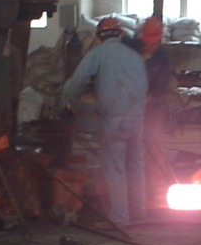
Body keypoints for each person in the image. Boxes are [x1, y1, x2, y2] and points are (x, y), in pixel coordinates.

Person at [60, 16, 149, 228]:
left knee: (115, 169)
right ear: (120, 35)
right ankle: (139, 211)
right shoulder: (135, 57)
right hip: (137, 119)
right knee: (135, 164)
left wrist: (66, 102)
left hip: (115, 120)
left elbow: (77, 82)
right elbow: (144, 86)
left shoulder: (97, 54)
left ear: (99, 37)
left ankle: (119, 218)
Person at [136, 16, 173, 209]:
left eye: (154, 40)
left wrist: (149, 98)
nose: (151, 44)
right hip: (132, 107)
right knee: (134, 150)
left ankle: (156, 190)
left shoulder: (162, 59)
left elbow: (161, 88)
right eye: (148, 40)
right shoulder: (132, 49)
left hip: (154, 109)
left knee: (154, 148)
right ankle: (136, 192)